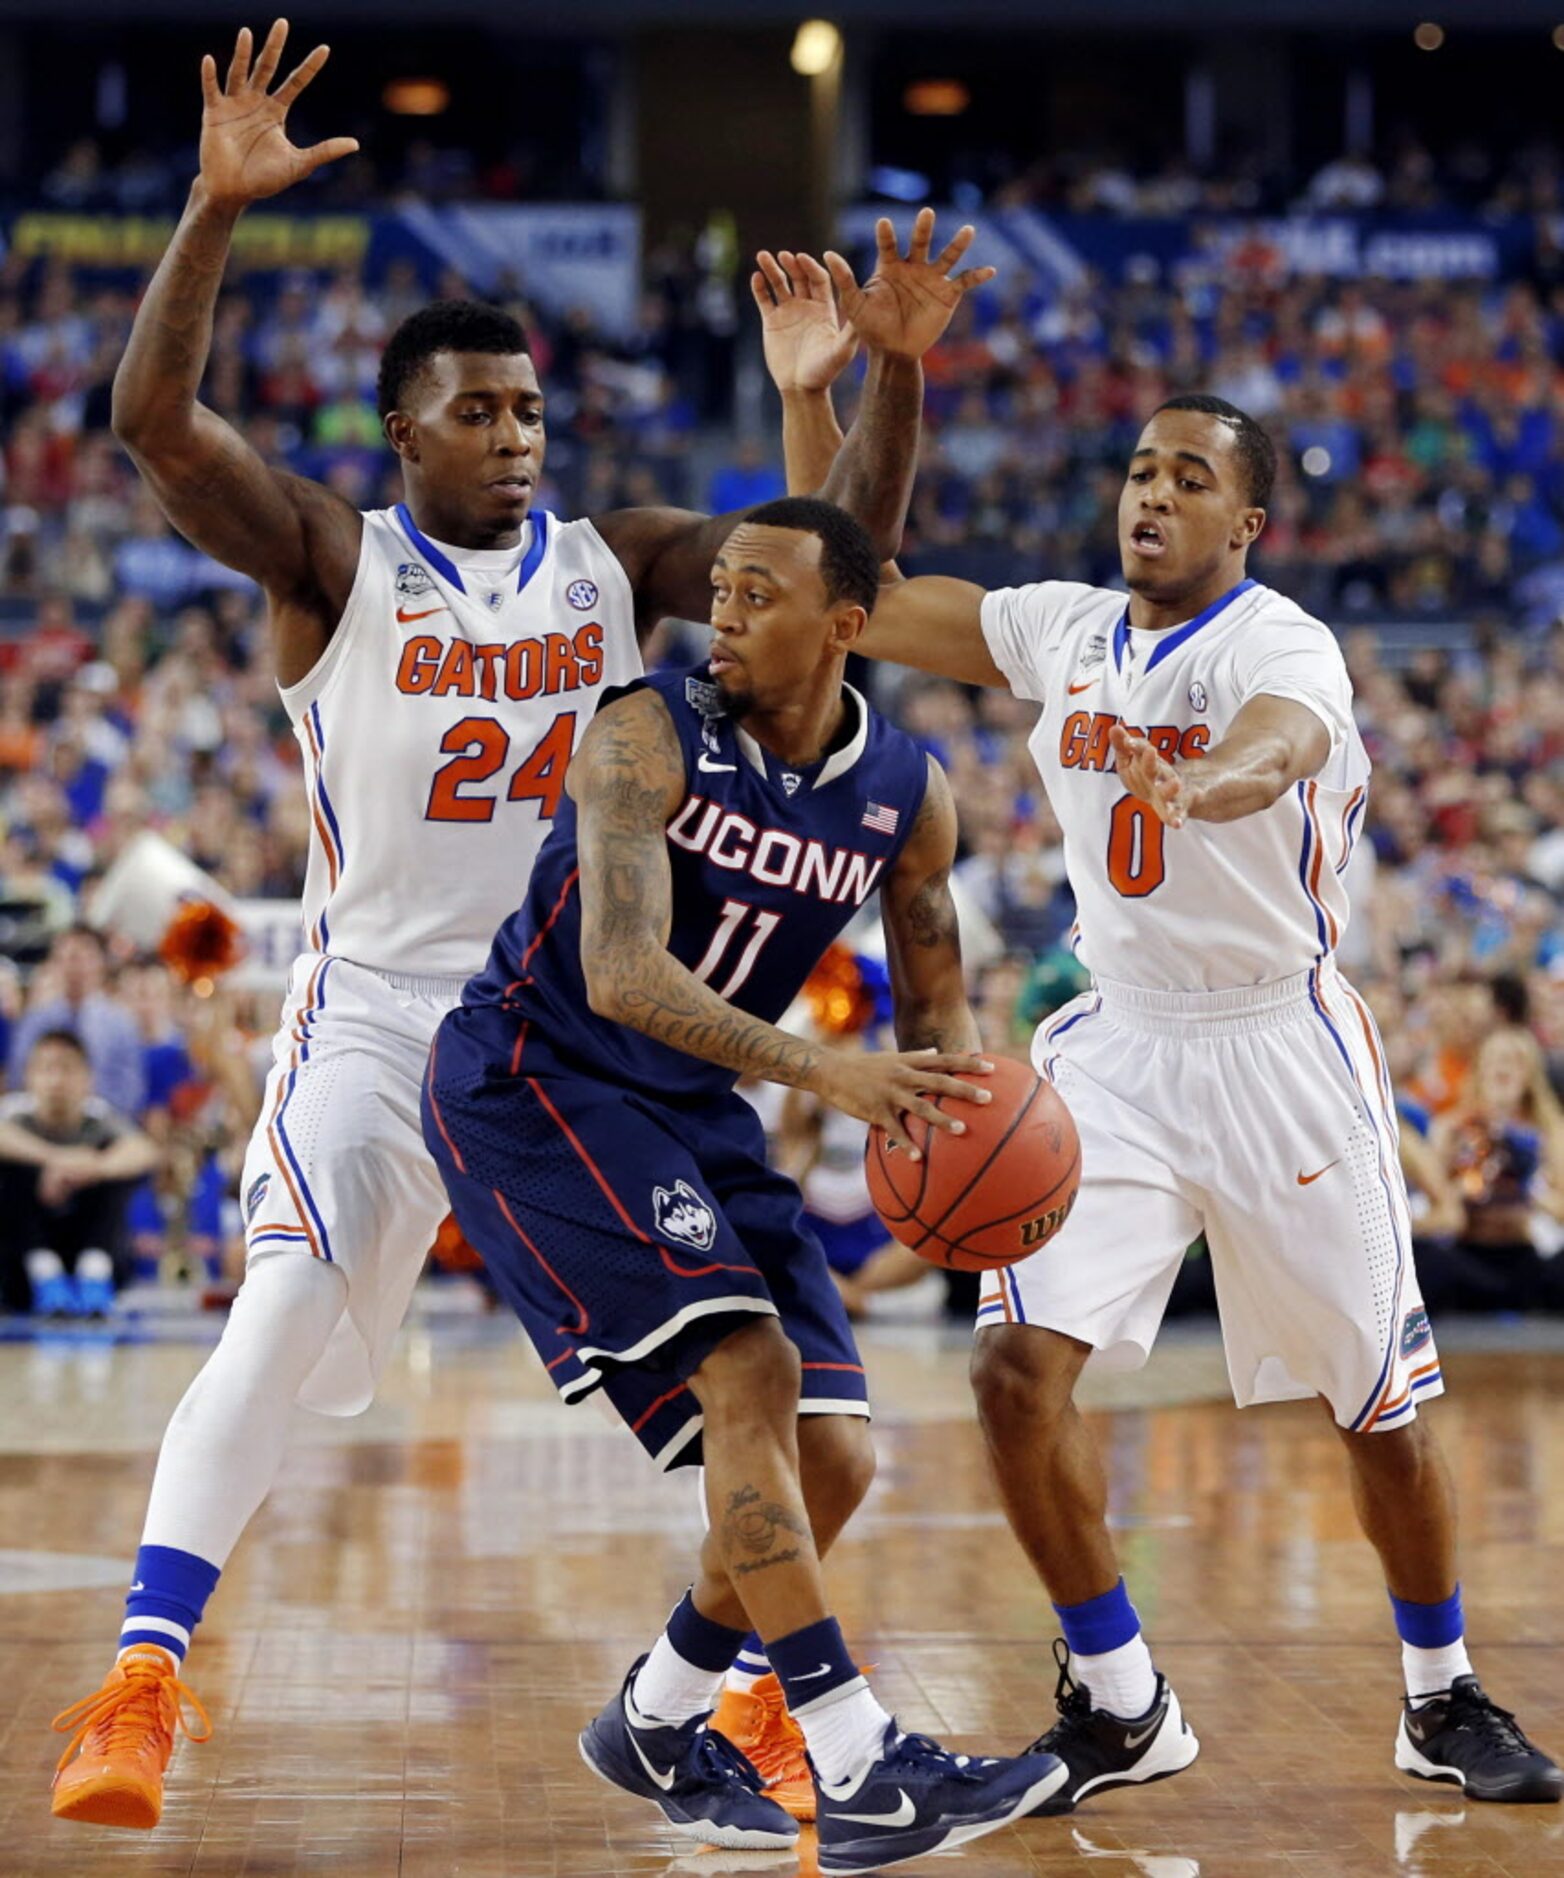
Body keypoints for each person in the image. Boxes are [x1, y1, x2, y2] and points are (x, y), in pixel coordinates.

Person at [49, 21, 994, 1832]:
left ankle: (708, 1703)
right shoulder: (334, 558)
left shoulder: (613, 557)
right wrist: (211, 208)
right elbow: (154, 425)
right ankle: (145, 1675)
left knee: (785, 1401)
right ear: (400, 430)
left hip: (578, 1038)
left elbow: (831, 587)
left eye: (528, 410)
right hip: (386, 1023)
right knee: (277, 1327)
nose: (508, 436)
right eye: (473, 411)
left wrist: (871, 380)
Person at [758, 257, 1561, 1808]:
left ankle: (1439, 1690)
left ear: (1247, 523)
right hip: (1114, 1049)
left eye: (1191, 477)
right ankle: (1121, 1697)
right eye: (1139, 469)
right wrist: (831, 391)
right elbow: (847, 590)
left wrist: (1209, 782)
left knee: (1380, 1411)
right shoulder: (1060, 627)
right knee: (1011, 1373)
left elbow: (1279, 743)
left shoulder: (1286, 646)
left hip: (1281, 1047)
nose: (1152, 494)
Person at [422, 498, 1065, 1872]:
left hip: (690, 1102)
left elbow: (940, 1014)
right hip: (538, 1074)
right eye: (717, 585)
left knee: (836, 1450)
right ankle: (856, 1756)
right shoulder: (645, 730)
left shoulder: (908, 791)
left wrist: (969, 1138)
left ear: (844, 624)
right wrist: (828, 1076)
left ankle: (656, 1715)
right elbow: (623, 973)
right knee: (752, 1378)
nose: (720, 608)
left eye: (757, 592)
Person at [0, 1030, 159, 1315]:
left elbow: (143, 1151)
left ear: (88, 1078)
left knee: (116, 1164)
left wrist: (94, 1167)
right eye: (47, 1068)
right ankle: (44, 1273)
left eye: (67, 1069)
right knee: (11, 1169)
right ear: (28, 1076)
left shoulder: (99, 1115)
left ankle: (94, 1275)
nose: (56, 1080)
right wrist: (58, 1159)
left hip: (88, 1244)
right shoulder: (14, 1113)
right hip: (22, 1261)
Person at [7, 926, 146, 1118]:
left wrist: (86, 1108)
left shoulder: (121, 1023)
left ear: (101, 963)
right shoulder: (35, 1019)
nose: (76, 968)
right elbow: (18, 1076)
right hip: (43, 1118)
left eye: (84, 958)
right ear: (54, 964)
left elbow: (130, 1088)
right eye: (68, 958)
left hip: (103, 1121)